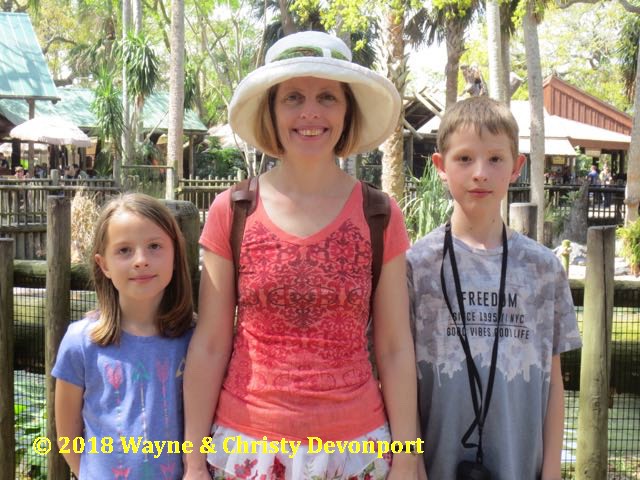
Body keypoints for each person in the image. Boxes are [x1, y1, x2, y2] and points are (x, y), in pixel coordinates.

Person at [184, 31, 417, 480]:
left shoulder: (380, 214)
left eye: (327, 97)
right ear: (271, 112)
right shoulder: (233, 211)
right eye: (293, 97)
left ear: (347, 111)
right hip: (246, 445)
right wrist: (194, 460)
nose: (310, 113)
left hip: (357, 449)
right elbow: (211, 344)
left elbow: (393, 347)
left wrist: (407, 455)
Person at [407, 96, 582, 480]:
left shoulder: (543, 268)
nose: (480, 173)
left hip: (523, 466)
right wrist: (410, 462)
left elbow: (555, 384)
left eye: (495, 159)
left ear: (517, 167)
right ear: (440, 166)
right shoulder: (415, 267)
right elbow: (396, 380)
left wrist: (552, 469)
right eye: (465, 158)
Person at [52, 193, 194, 479]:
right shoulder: (80, 342)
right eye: (124, 250)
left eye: (154, 246)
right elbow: (67, 436)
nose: (141, 260)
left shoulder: (196, 340)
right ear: (103, 264)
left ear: (176, 256)